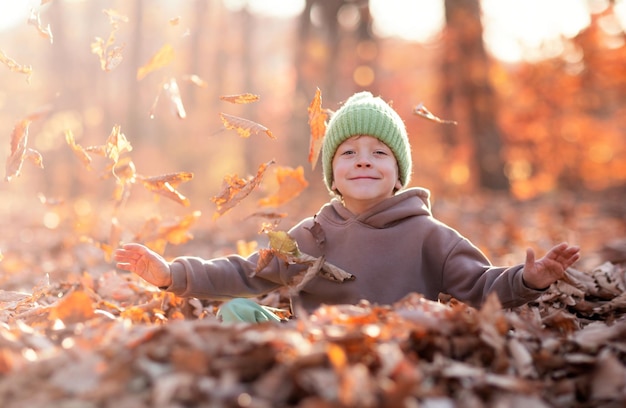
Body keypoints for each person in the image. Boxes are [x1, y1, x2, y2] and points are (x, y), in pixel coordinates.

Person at [114, 91, 580, 323]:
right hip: (312, 347)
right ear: (332, 176)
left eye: (379, 153)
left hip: (395, 348)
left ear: (399, 174)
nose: (363, 161)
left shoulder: (429, 235)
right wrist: (172, 274)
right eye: (348, 153)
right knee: (237, 310)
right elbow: (245, 273)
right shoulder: (310, 234)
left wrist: (528, 280)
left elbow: (480, 285)